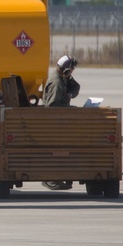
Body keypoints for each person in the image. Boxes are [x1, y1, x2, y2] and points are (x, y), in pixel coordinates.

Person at [41, 55, 80, 190]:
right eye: (72, 69)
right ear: (66, 69)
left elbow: (76, 87)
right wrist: (70, 109)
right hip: (54, 124)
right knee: (55, 152)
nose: (73, 71)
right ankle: (51, 180)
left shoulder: (63, 77)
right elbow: (53, 107)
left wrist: (69, 93)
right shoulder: (57, 83)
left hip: (59, 123)